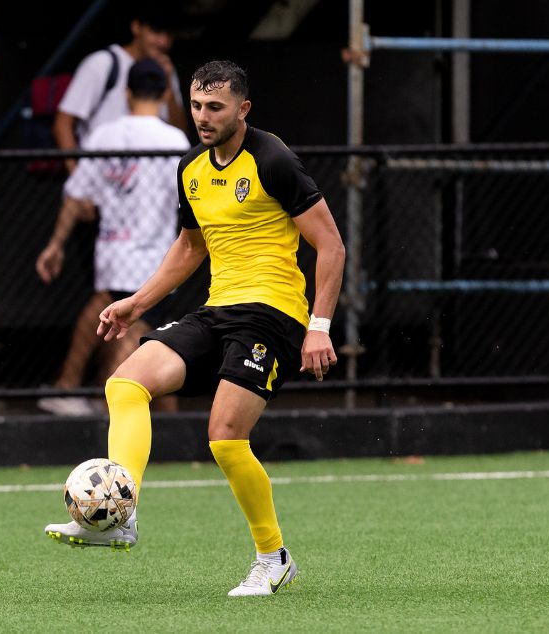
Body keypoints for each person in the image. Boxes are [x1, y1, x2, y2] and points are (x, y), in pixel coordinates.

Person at [44, 60, 346, 597]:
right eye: (196, 105)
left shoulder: (272, 159)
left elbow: (331, 245)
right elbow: (189, 247)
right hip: (218, 309)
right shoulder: (191, 168)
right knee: (125, 383)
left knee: (225, 437)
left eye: (215, 108)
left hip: (273, 314)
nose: (203, 117)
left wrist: (318, 326)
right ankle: (122, 513)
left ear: (243, 109)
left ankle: (273, 557)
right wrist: (135, 303)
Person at [35, 59, 190, 416]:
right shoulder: (173, 139)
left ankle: (77, 389)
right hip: (154, 254)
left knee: (115, 317)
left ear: (127, 93)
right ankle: (113, 406)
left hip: (111, 248)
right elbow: (188, 202)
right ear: (166, 95)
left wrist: (56, 243)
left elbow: (76, 193)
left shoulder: (104, 134)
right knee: (135, 331)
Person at [52, 3, 187, 173]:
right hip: (102, 174)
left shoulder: (165, 70)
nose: (164, 41)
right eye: (156, 31)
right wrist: (78, 176)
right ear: (136, 27)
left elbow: (179, 132)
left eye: (169, 35)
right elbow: (63, 123)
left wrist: (168, 85)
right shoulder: (102, 63)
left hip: (148, 180)